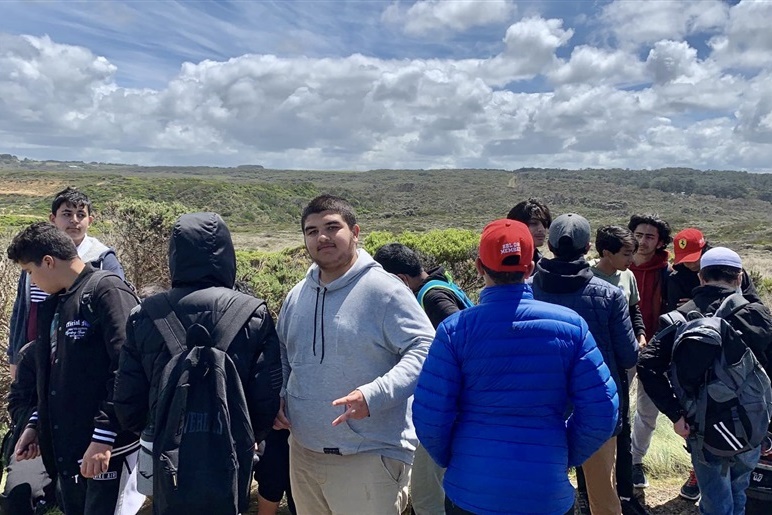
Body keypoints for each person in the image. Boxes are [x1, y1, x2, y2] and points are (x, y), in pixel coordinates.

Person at [413, 218, 619, 515]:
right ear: (531, 267)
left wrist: (459, 458)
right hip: (546, 491)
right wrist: (564, 453)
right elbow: (602, 410)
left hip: (471, 491)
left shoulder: (455, 330)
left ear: (479, 267)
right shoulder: (570, 327)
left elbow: (429, 414)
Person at [274, 194, 435, 515]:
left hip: (368, 455)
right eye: (311, 230)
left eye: (332, 227)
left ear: (355, 231)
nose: (322, 237)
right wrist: (280, 396)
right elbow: (284, 353)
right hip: (304, 452)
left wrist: (373, 395)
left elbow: (427, 349)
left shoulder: (384, 290)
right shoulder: (296, 295)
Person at [113, 212, 282, 514]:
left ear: (175, 255)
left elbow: (127, 403)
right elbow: (266, 398)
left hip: (167, 452)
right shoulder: (253, 313)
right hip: (231, 450)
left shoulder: (145, 314)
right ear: (228, 255)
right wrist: (248, 435)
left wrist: (157, 427)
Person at [7, 222, 144, 515]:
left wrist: (103, 436)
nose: (31, 281)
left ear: (48, 261)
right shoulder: (55, 305)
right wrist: (35, 425)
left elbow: (127, 369)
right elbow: (51, 378)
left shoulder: (106, 291)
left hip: (107, 452)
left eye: (30, 272)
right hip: (69, 451)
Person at [637, 247, 772, 514]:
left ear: (701, 278)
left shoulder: (681, 317)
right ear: (740, 278)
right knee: (739, 489)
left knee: (715, 500)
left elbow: (647, 365)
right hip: (752, 423)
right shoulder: (759, 315)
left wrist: (676, 415)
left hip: (702, 426)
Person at [531, 214, 638, 515]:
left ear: (549, 245)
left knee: (540, 488)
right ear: (588, 247)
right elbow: (629, 356)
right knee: (603, 492)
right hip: (597, 407)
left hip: (539, 405)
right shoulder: (610, 295)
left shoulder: (528, 291)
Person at [374, 242, 472, 515]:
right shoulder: (442, 283)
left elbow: (465, 344)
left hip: (448, 407)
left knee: (427, 495)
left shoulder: (432, 298)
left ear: (400, 279)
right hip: (459, 406)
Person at [666, 227, 760, 501]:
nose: (690, 263)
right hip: (697, 355)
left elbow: (751, 303)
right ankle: (700, 471)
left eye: (694, 257)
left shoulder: (730, 269)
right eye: (685, 259)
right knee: (698, 419)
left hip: (733, 354)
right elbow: (677, 312)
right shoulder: (677, 276)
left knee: (735, 414)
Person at [8, 186, 125, 379]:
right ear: (52, 218)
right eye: (67, 214)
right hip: (35, 351)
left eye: (81, 214)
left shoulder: (102, 260)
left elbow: (117, 321)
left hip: (78, 361)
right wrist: (14, 356)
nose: (74, 220)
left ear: (90, 220)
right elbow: (20, 310)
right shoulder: (34, 255)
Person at [590, 225, 649, 514]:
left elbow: (634, 310)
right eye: (627, 253)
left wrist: (640, 333)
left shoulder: (627, 276)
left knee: (622, 428)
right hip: (599, 367)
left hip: (624, 363)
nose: (632, 259)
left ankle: (624, 495)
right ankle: (592, 495)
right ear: (606, 253)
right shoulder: (588, 278)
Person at [627, 213, 672, 489]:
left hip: (657, 351)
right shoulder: (617, 267)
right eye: (638, 235)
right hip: (622, 347)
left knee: (648, 408)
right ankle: (611, 457)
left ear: (660, 243)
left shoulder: (668, 274)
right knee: (616, 406)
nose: (642, 242)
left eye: (649, 237)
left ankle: (635, 460)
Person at [506, 198, 552, 265]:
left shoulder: (543, 267)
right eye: (533, 223)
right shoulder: (502, 263)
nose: (541, 229)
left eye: (545, 224)